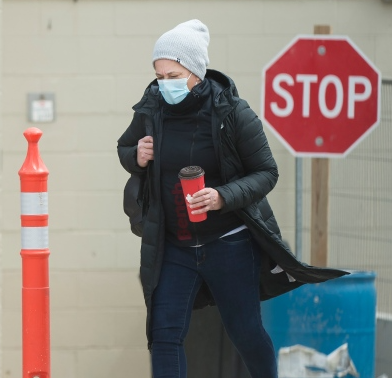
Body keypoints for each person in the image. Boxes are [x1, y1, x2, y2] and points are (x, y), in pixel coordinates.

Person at [116, 20, 346, 378]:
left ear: (195, 71)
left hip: (229, 243)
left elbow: (267, 172)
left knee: (245, 332)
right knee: (164, 336)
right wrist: (137, 155)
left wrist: (221, 197)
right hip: (174, 246)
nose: (164, 84)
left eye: (172, 74)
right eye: (159, 75)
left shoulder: (232, 113)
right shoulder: (151, 109)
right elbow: (124, 147)